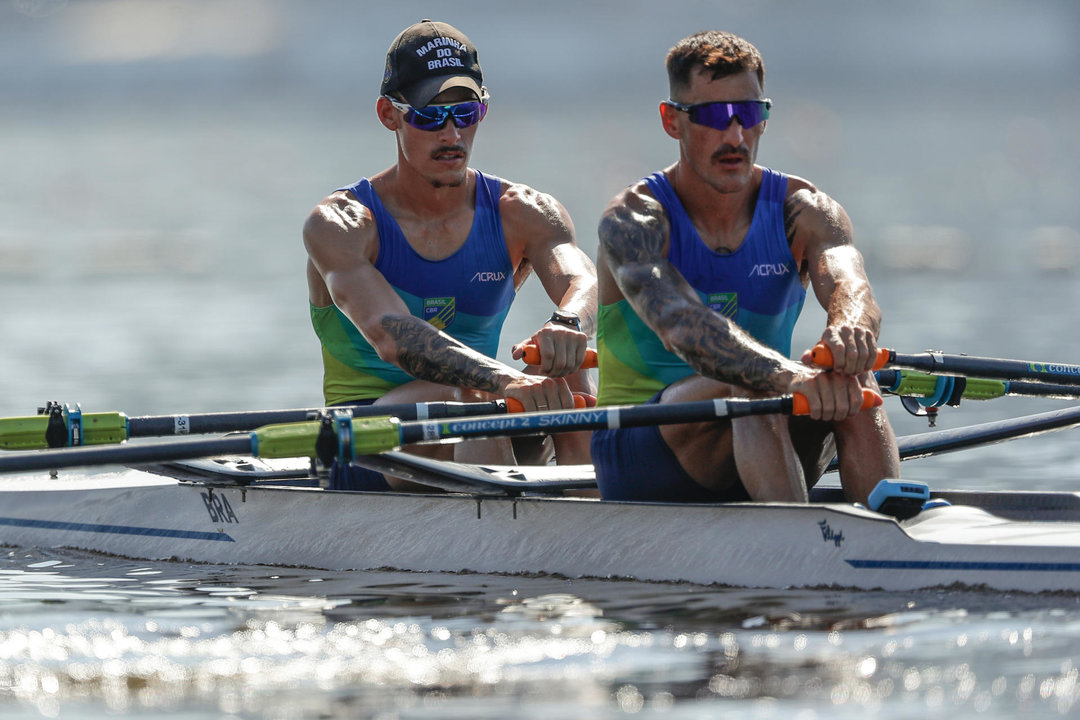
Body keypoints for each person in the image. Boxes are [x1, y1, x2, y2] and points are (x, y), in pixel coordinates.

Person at [591, 30, 899, 504]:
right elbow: (683, 327)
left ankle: (891, 529)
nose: (734, 135)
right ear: (672, 121)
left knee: (853, 377)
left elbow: (850, 283)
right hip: (645, 450)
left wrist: (851, 328)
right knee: (749, 384)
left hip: (766, 429)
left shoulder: (806, 211)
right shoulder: (634, 221)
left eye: (748, 114)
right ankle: (796, 548)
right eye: (714, 116)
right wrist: (788, 376)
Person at [304, 20, 597, 491]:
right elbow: (396, 340)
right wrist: (506, 382)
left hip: (482, 418)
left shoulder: (524, 213)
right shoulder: (341, 224)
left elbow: (583, 282)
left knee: (570, 370)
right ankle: (507, 537)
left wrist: (569, 325)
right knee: (470, 394)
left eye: (466, 113)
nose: (451, 133)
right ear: (388, 114)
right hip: (367, 444)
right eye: (428, 116)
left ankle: (596, 525)